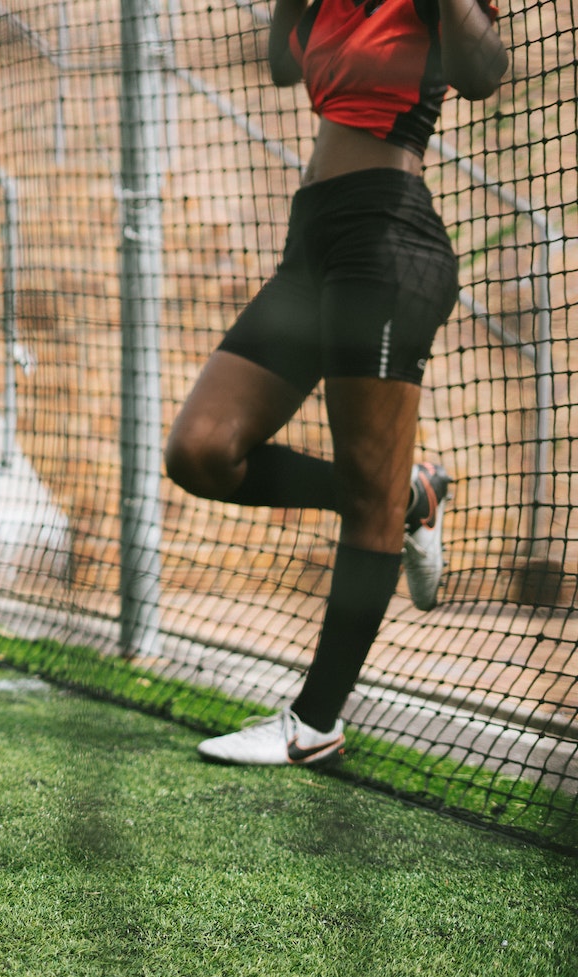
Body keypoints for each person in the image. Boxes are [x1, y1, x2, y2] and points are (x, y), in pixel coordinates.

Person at [164, 0, 507, 765]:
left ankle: (313, 723)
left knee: (365, 498)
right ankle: (406, 494)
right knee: (201, 450)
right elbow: (285, 63)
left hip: (386, 238)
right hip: (310, 242)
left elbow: (484, 72)